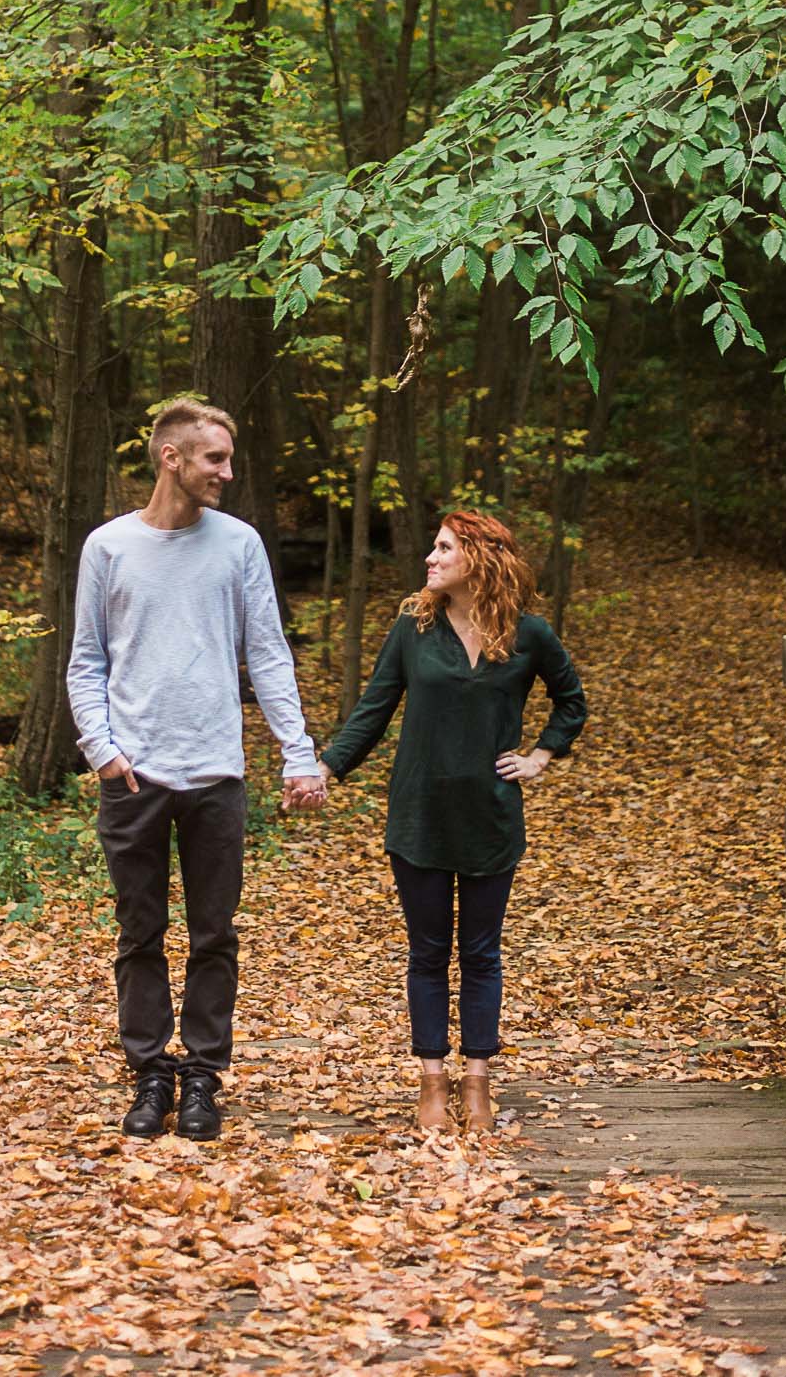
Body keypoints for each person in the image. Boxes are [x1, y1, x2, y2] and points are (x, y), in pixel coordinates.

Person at [67, 397, 326, 1141]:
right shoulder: (108, 546)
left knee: (214, 932)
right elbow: (87, 662)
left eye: (229, 458)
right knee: (139, 931)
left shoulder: (238, 544)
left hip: (215, 773)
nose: (228, 471)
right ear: (171, 457)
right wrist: (104, 751)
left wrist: (297, 753)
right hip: (133, 776)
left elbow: (268, 653)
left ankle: (203, 1075)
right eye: (215, 458)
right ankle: (150, 1072)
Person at [316, 509, 586, 1132]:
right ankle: (432, 1080)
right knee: (429, 953)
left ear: (478, 559)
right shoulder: (414, 628)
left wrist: (542, 754)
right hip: (420, 816)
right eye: (433, 548)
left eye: (443, 549)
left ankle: (477, 1083)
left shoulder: (529, 634)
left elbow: (571, 700)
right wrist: (326, 769)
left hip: (490, 818)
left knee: (482, 954)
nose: (430, 559)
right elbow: (374, 708)